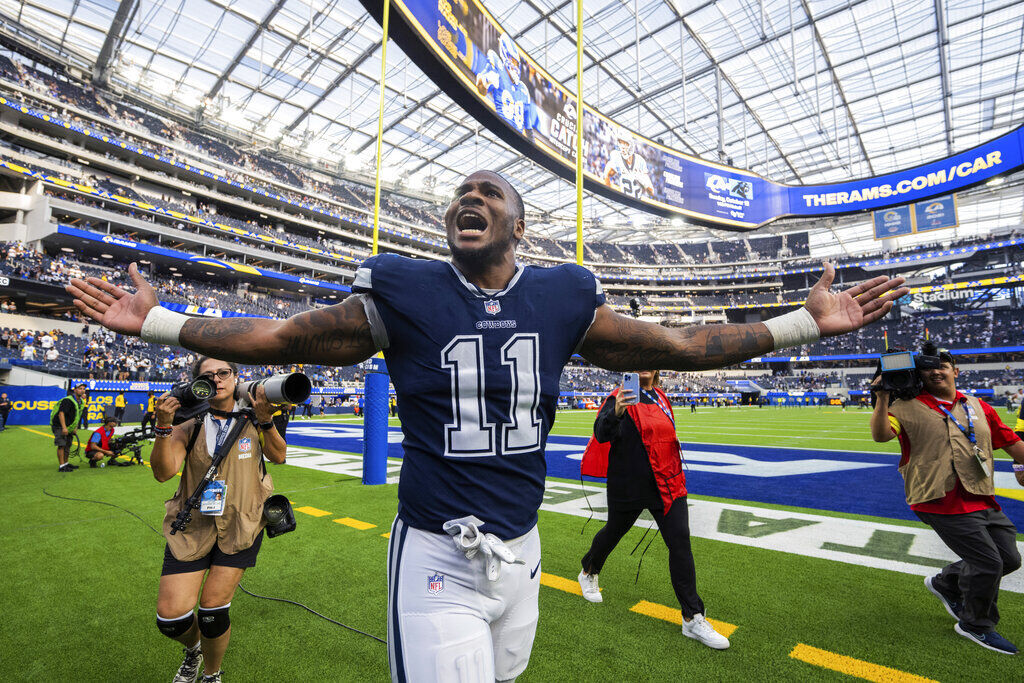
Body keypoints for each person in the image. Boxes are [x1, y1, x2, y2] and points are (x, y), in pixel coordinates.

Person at [68, 169, 907, 682]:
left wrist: (802, 324)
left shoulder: (563, 295)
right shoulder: (405, 291)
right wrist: (159, 322)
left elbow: (684, 345)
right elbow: (286, 337)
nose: (469, 198)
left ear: (516, 225)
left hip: (523, 549)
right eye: (460, 193)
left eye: (488, 193)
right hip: (437, 547)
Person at [870, 344, 1024, 655]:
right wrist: (883, 397)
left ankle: (947, 583)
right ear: (919, 374)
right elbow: (881, 435)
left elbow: (1011, 441)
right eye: (928, 367)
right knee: (988, 562)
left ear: (956, 371)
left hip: (980, 495)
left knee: (1009, 559)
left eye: (944, 364)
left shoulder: (979, 406)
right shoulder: (906, 406)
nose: (936, 370)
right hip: (937, 498)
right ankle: (976, 624)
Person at [150, 356, 286, 683]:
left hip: (243, 521)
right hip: (192, 524)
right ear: (199, 384)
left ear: (235, 377)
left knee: (212, 612)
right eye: (208, 375)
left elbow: (278, 456)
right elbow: (163, 472)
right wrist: (163, 427)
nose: (217, 379)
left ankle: (212, 674)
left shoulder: (259, 415)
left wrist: (266, 421)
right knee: (170, 619)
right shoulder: (189, 422)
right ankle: (193, 649)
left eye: (223, 373)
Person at [579, 370, 727, 649]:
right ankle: (588, 571)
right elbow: (601, 434)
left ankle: (692, 616)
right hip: (628, 486)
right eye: (637, 361)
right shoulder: (618, 397)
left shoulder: (661, 397)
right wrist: (618, 412)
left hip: (667, 484)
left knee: (680, 543)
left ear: (657, 367)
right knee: (613, 532)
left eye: (649, 360)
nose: (643, 366)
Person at [51, 383, 86, 472]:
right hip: (60, 426)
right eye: (80, 388)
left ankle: (66, 464)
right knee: (61, 445)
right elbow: (61, 413)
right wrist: (64, 428)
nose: (82, 390)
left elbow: (78, 415)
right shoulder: (68, 400)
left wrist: (75, 428)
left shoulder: (81, 402)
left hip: (70, 426)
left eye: (83, 389)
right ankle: (62, 466)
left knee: (67, 445)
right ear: (75, 390)